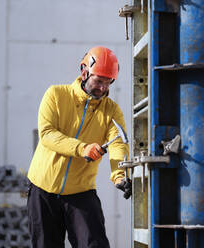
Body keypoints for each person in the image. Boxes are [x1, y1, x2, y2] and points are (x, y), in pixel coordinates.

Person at [27, 46, 131, 248]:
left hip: (81, 191)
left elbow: (118, 143)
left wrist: (119, 175)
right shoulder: (56, 95)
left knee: (94, 244)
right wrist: (82, 148)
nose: (102, 87)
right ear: (84, 72)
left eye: (108, 82)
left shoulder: (111, 111)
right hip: (42, 190)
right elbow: (47, 134)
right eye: (98, 81)